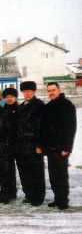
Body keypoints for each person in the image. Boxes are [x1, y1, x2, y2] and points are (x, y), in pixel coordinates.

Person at [40, 82, 77, 210]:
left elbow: (71, 128)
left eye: (53, 90)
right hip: (51, 148)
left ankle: (63, 201)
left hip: (61, 148)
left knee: (61, 175)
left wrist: (67, 148)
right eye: (49, 90)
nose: (51, 92)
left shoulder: (67, 106)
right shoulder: (48, 106)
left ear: (59, 90)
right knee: (53, 175)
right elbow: (44, 129)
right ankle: (57, 198)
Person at [17, 81, 45, 206]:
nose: (27, 93)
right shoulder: (21, 106)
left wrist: (40, 145)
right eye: (25, 91)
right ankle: (28, 194)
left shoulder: (39, 105)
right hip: (22, 145)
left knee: (36, 172)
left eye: (29, 91)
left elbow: (42, 127)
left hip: (34, 145)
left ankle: (38, 197)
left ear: (34, 92)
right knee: (24, 172)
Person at [2, 88, 20, 200]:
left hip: (18, 144)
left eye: (11, 96)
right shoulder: (3, 109)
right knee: (8, 170)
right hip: (6, 145)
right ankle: (10, 192)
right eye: (7, 97)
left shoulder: (20, 109)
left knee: (23, 170)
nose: (9, 99)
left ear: (15, 97)